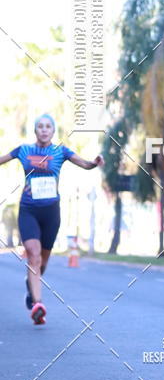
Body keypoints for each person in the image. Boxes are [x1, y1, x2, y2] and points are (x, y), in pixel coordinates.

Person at [0, 114, 104, 325]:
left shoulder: (60, 151)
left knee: (43, 262)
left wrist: (94, 162)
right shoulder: (23, 150)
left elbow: (84, 164)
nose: (44, 130)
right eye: (40, 126)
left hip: (51, 214)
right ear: (35, 130)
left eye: (48, 126)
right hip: (28, 211)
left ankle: (31, 288)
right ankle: (38, 305)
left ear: (53, 131)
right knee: (34, 256)